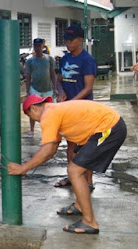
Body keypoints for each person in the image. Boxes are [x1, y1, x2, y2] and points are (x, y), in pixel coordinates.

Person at [8, 94, 126, 234]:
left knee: (74, 171)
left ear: (33, 109)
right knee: (77, 161)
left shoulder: (48, 115)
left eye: (30, 116)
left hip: (109, 127)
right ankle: (80, 206)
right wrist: (28, 166)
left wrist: (23, 168)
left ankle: (90, 222)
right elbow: (52, 149)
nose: (34, 121)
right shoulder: (53, 111)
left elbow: (46, 151)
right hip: (104, 127)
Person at [54, 24, 97, 189]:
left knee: (85, 146)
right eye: (66, 39)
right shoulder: (65, 59)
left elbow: (88, 88)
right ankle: (72, 176)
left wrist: (72, 102)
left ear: (80, 40)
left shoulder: (87, 60)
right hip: (68, 111)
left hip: (84, 110)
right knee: (71, 144)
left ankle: (88, 181)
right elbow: (59, 80)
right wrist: (61, 92)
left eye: (71, 39)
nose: (68, 42)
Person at [25, 38, 57, 138]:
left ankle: (50, 129)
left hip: (48, 89)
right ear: (34, 47)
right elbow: (28, 76)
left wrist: (55, 88)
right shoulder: (30, 61)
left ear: (43, 46)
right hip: (35, 89)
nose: (38, 48)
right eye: (36, 46)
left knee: (50, 110)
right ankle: (32, 130)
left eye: (39, 46)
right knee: (32, 109)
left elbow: (52, 73)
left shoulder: (49, 59)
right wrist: (27, 92)